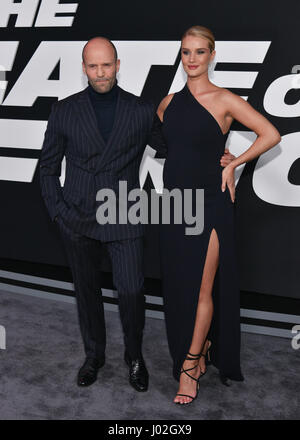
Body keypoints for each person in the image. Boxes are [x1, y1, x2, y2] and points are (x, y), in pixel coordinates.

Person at [39, 36, 234, 393]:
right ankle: (94, 356)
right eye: (93, 66)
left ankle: (135, 357)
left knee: (130, 291)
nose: (100, 72)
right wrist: (58, 213)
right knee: (87, 293)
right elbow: (47, 168)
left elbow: (177, 146)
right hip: (76, 217)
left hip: (124, 214)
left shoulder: (141, 110)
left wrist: (224, 158)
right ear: (84, 69)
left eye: (106, 65)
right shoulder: (64, 111)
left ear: (117, 64)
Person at [154, 25, 281, 405]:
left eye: (199, 52)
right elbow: (174, 150)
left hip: (211, 203)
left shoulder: (224, 99)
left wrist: (233, 164)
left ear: (211, 55)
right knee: (178, 286)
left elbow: (270, 133)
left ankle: (191, 365)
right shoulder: (167, 103)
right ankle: (200, 345)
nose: (191, 59)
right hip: (175, 205)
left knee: (202, 288)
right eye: (185, 52)